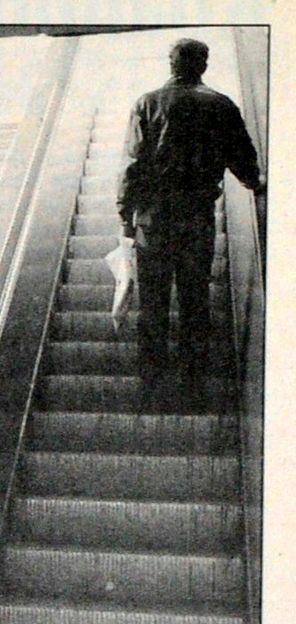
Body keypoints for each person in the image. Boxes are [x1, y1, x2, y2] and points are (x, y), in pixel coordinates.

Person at [116, 38, 264, 410]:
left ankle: (150, 386)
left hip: (153, 220)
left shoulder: (147, 103)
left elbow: (132, 166)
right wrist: (255, 184)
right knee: (195, 300)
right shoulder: (221, 104)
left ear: (171, 63)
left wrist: (125, 219)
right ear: (204, 65)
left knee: (153, 302)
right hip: (196, 218)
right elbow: (242, 156)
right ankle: (193, 386)